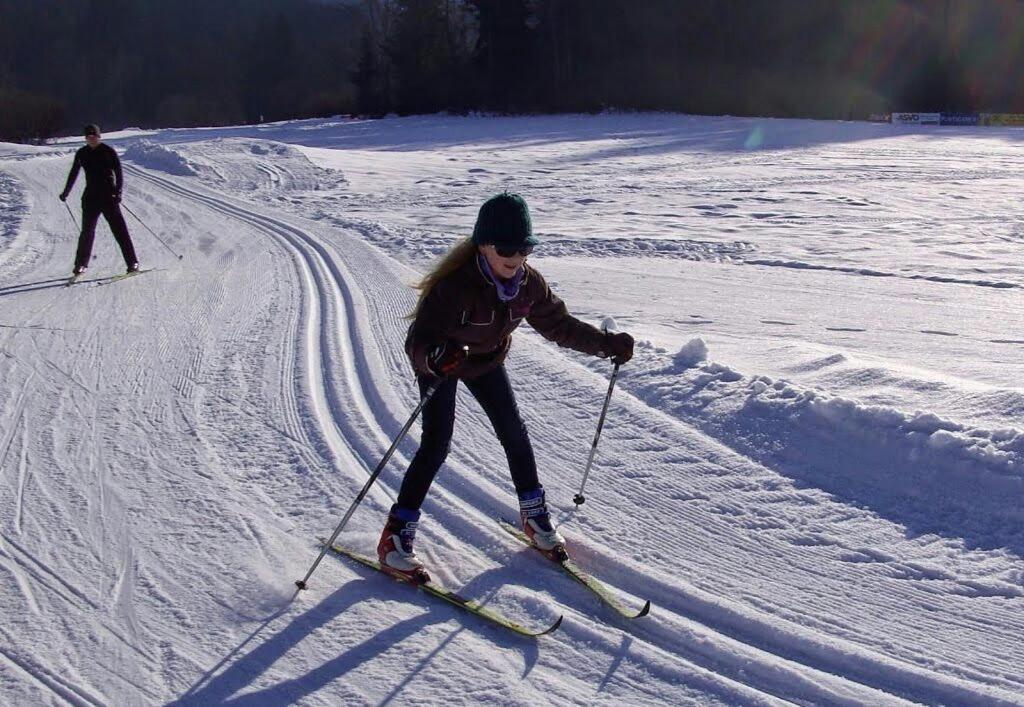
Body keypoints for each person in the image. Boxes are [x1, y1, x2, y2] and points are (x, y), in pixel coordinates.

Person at [378, 192, 634, 583]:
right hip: (444, 362)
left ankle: (534, 518)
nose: (516, 260)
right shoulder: (453, 286)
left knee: (514, 433)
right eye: (506, 250)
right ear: (483, 244)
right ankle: (395, 538)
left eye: (524, 249)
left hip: (486, 360)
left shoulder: (528, 284)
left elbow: (558, 325)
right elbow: (420, 340)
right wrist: (434, 357)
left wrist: (605, 344)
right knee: (436, 444)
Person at [59, 124, 139, 276]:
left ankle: (132, 262)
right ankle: (81, 264)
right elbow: (74, 173)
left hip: (109, 197)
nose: (91, 139)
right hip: (90, 198)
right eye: (88, 137)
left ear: (99, 136)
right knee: (87, 232)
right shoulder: (82, 153)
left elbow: (119, 173)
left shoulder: (108, 151)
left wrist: (118, 191)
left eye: (94, 136)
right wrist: (66, 192)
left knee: (120, 231)